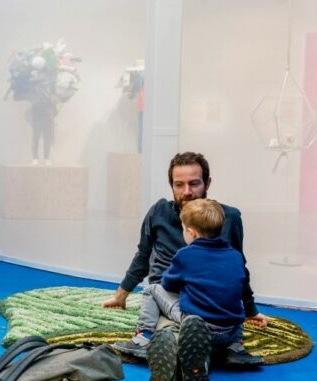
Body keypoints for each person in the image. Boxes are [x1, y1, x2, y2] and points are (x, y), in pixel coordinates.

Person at [104, 152, 268, 364]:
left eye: (194, 183)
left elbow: (238, 271)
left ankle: (156, 345)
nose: (187, 192)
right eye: (179, 185)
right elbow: (143, 256)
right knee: (175, 333)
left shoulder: (229, 217)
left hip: (210, 297)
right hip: (171, 298)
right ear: (171, 185)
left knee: (181, 338)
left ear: (207, 183)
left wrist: (251, 310)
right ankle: (226, 348)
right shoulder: (159, 212)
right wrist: (121, 295)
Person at [118, 199, 252, 381]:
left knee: (152, 290)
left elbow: (168, 283)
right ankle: (235, 346)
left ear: (191, 233)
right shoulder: (235, 256)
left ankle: (144, 336)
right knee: (234, 300)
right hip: (229, 330)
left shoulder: (185, 255)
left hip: (197, 324)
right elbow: (242, 287)